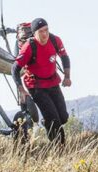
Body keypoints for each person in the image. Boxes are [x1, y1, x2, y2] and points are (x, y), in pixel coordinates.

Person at [13, 17, 71, 145]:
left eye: (46, 30)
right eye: (41, 32)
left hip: (52, 81)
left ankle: (47, 122)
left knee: (63, 117)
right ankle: (60, 148)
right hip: (36, 85)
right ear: (34, 33)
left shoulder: (55, 40)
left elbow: (65, 57)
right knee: (54, 119)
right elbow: (15, 69)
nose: (45, 34)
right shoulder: (29, 47)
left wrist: (67, 76)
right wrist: (21, 89)